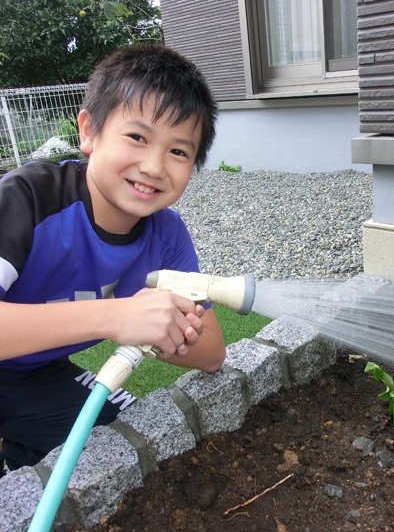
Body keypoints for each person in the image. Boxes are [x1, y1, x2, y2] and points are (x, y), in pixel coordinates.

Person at [0, 45, 225, 471]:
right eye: (137, 137)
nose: (155, 166)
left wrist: (161, 326)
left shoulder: (167, 237)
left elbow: (211, 351)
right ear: (89, 130)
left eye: (179, 151)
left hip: (34, 375)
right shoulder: (27, 199)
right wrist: (115, 316)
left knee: (125, 444)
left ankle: (20, 455)